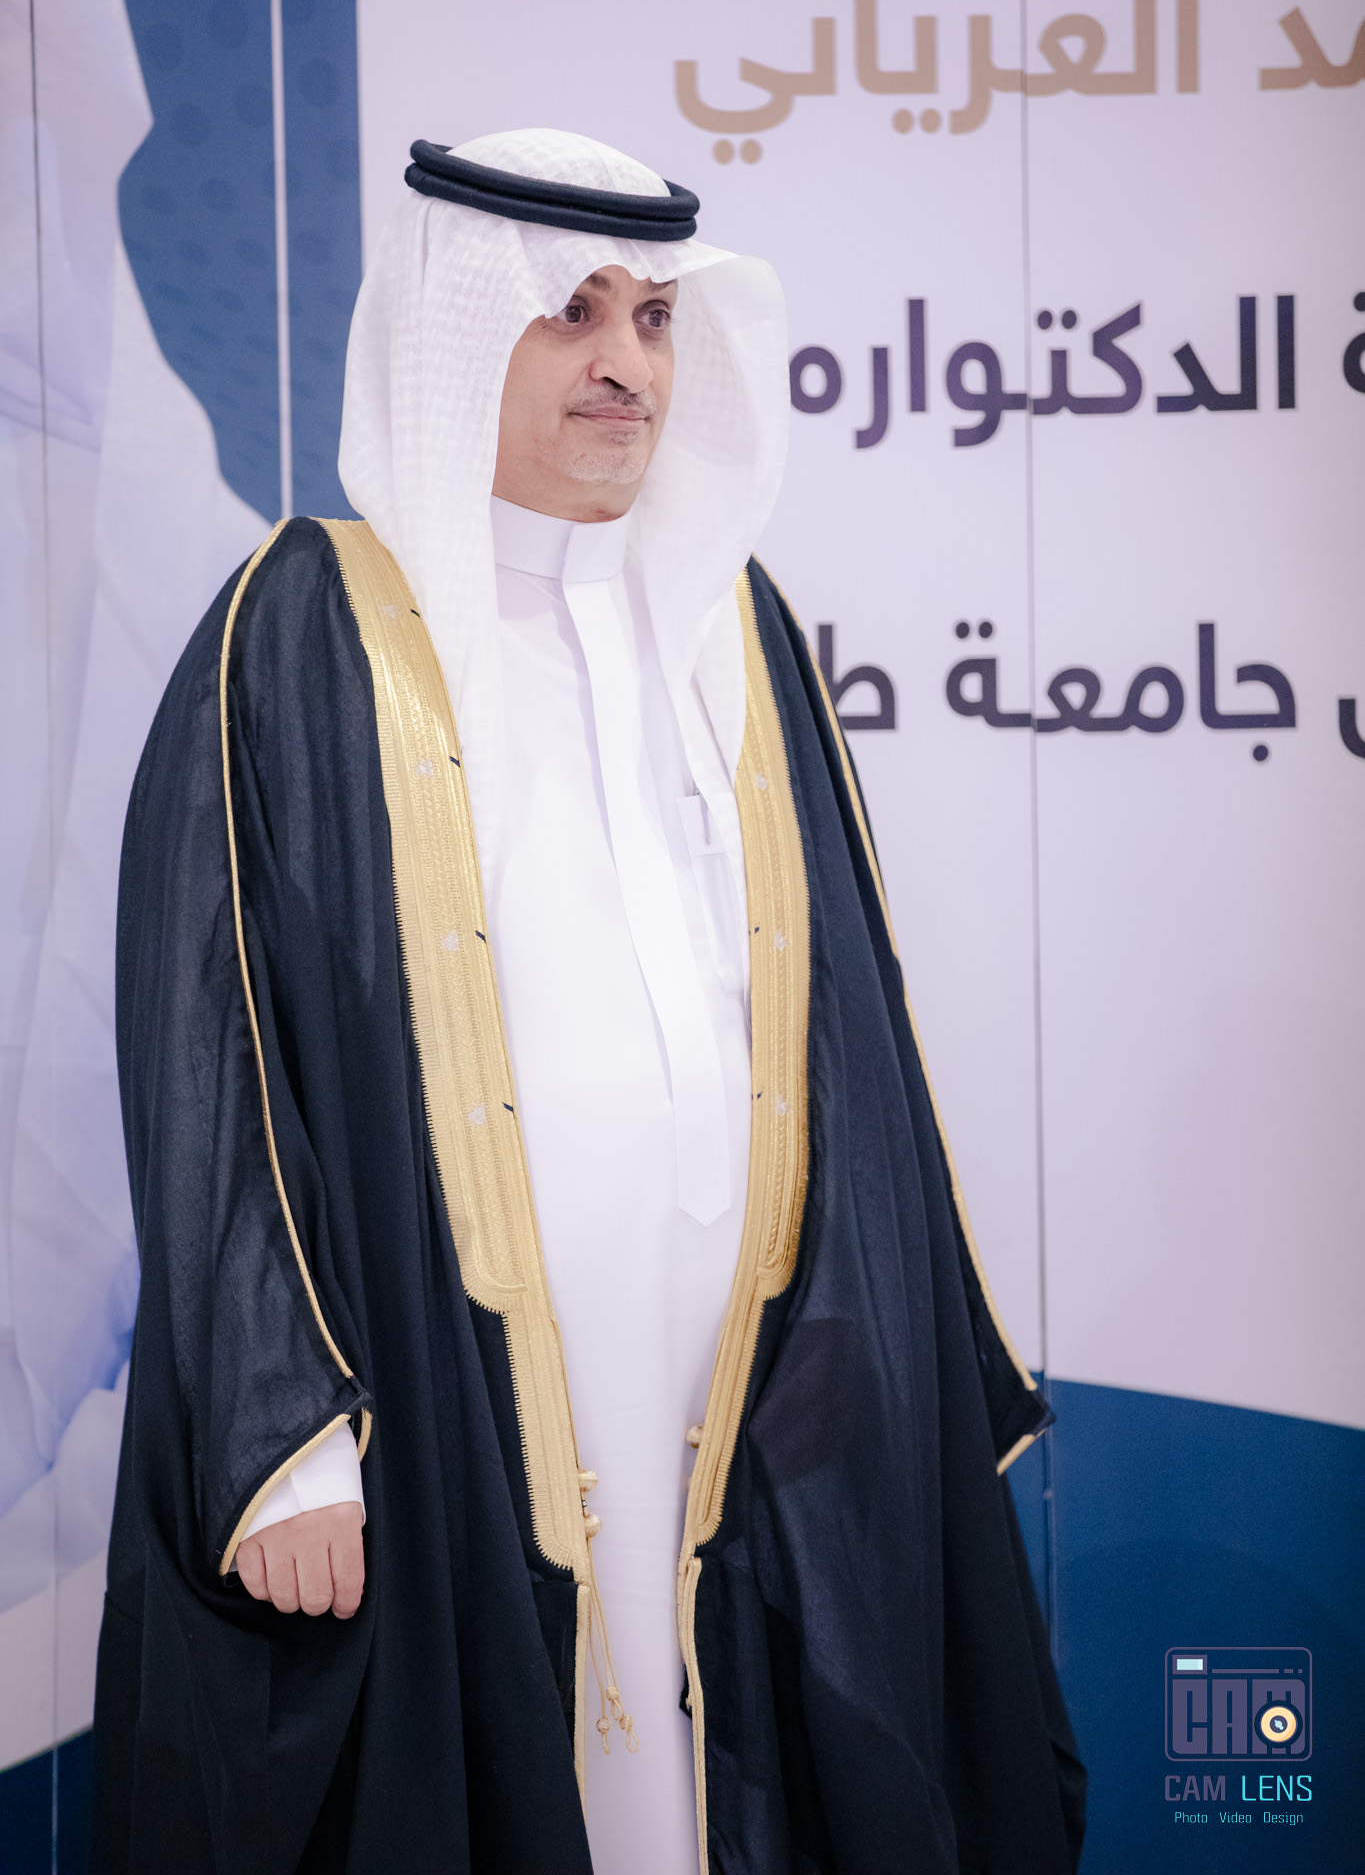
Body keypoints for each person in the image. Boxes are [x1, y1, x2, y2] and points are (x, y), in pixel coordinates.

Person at [93, 129, 1085, 1875]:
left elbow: (850, 1027)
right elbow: (209, 1041)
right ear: (455, 333)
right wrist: (282, 1433)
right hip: (446, 1371)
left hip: (741, 1370)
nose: (624, 361)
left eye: (652, 317)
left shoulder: (731, 626)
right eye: (571, 313)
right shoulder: (306, 627)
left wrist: (886, 1336)